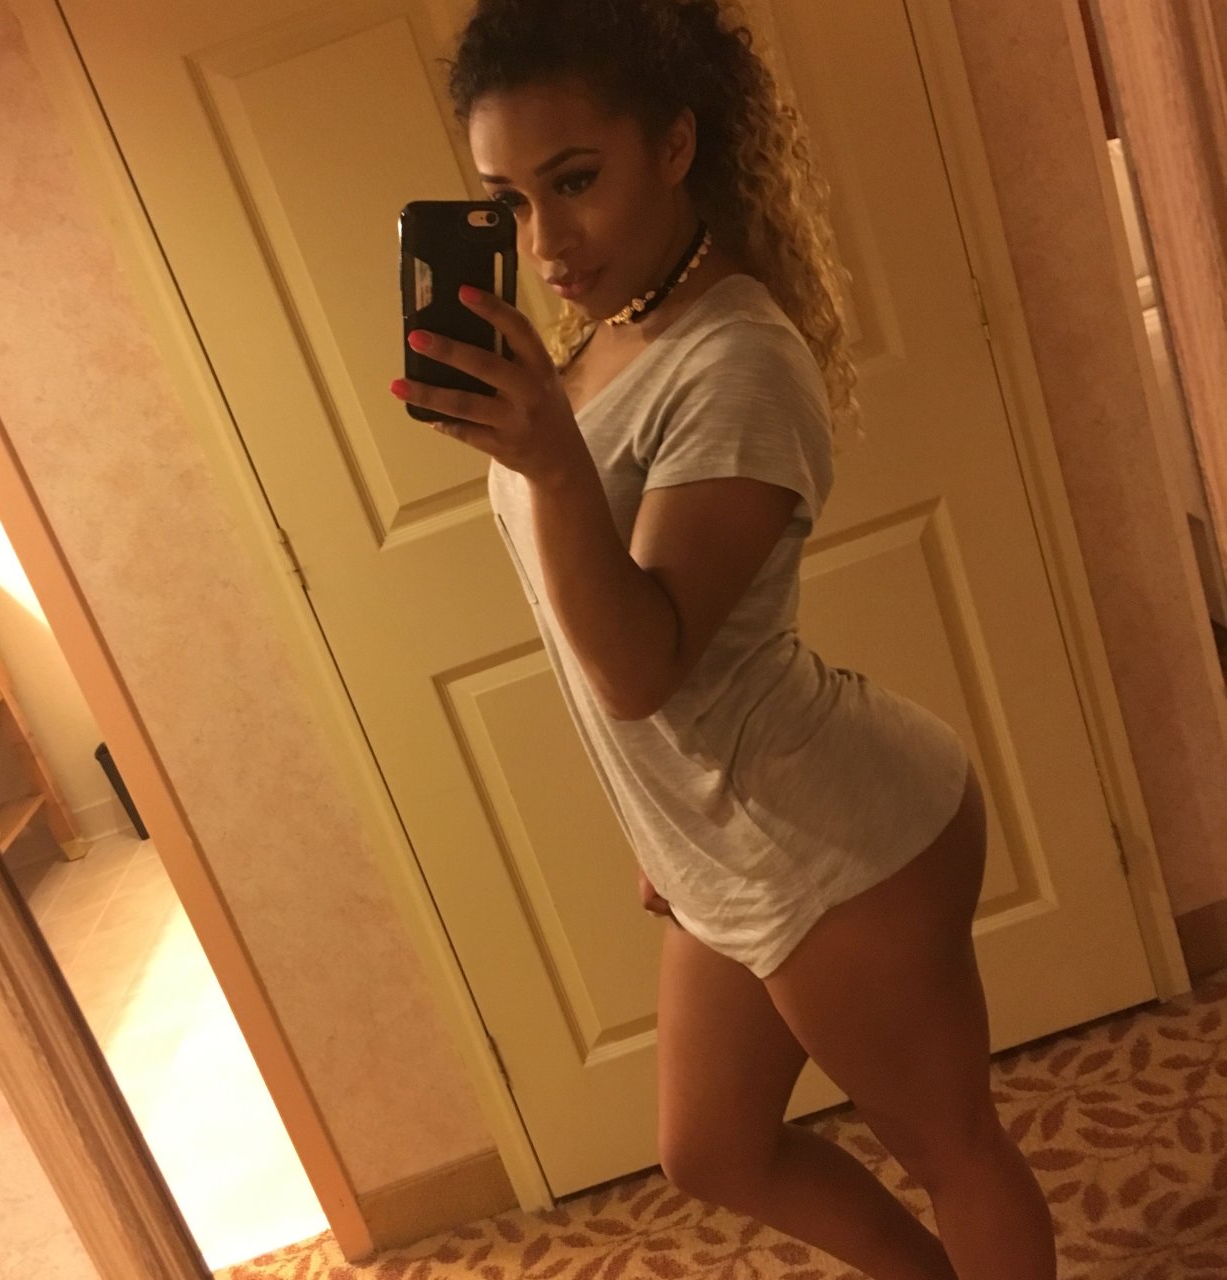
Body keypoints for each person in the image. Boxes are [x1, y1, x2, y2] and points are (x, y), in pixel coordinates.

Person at [387, 2, 1057, 1276]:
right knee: (711, 1146)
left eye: (573, 181)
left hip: (835, 841)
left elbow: (639, 667)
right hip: (720, 833)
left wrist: (549, 463)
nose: (544, 241)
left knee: (950, 1145)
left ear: (675, 143)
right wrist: (663, 835)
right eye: (507, 200)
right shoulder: (606, 334)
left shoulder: (736, 359)